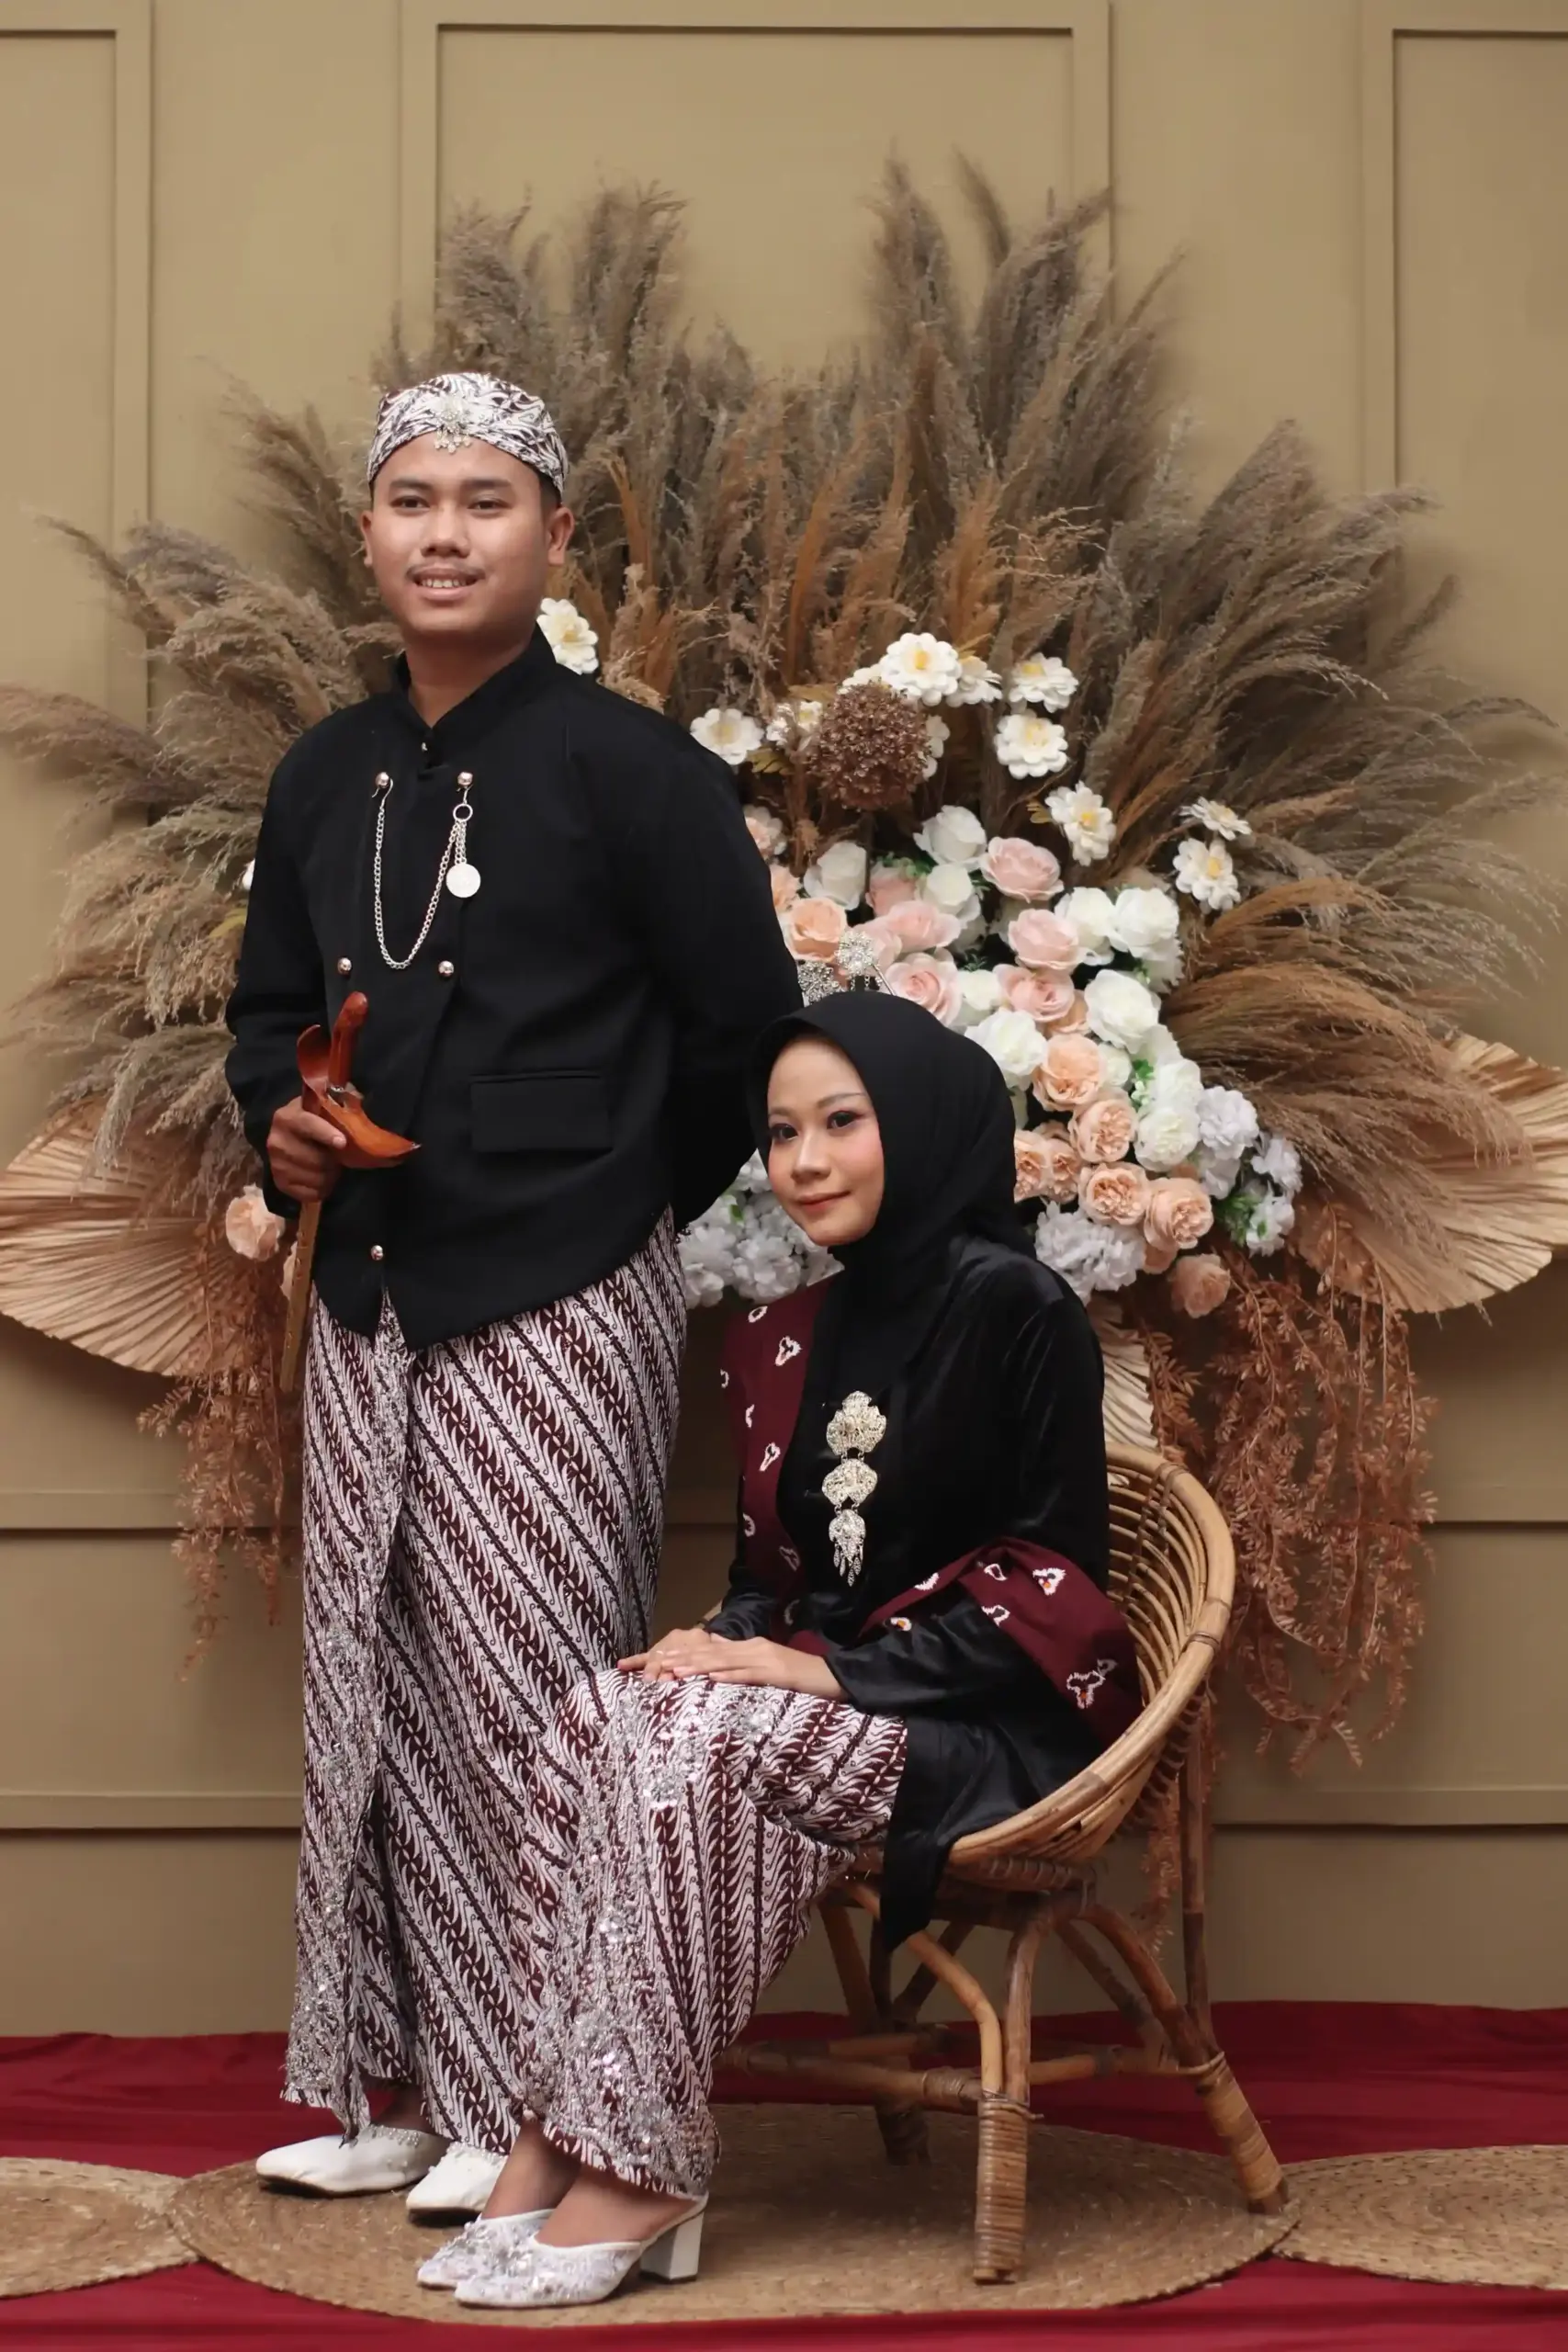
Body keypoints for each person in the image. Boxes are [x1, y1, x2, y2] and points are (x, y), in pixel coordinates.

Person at [224, 371, 799, 2213]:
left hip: (560, 1289)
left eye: (486, 501)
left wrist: (616, 1199)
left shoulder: (639, 771)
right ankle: (392, 2087)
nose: (446, 532)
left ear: (554, 538)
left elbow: (743, 1038)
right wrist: (280, 1132)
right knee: (370, 1688)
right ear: (367, 535)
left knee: (526, 1699)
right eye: (413, 500)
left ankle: (531, 2107)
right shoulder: (322, 771)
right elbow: (267, 1016)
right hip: (369, 1294)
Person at [418, 987, 1141, 2311]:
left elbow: (1054, 1583)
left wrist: (832, 1671)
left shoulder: (1017, 1308)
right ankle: (556, 2135)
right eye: (782, 1132)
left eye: (841, 1122)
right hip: (828, 1715)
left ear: (920, 1121)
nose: (803, 1161)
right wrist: (719, 1638)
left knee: (695, 1739)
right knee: (603, 1709)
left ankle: (638, 2168)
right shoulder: (785, 1333)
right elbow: (775, 1579)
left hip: (979, 1724)